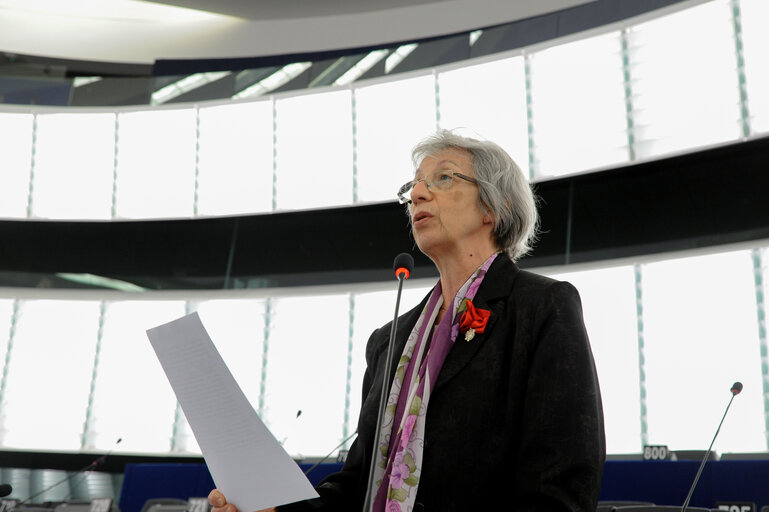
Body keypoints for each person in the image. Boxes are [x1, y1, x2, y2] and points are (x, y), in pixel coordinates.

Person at [209, 130, 605, 512]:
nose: (416, 194)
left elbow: (561, 488)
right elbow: (357, 485)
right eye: (412, 187)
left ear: (493, 207)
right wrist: (279, 509)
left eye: (443, 178)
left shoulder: (542, 308)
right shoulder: (389, 342)